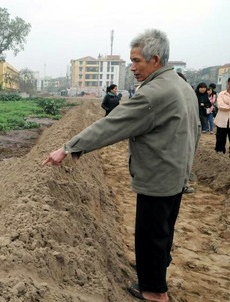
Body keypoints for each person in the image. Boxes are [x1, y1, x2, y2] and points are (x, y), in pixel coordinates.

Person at [42, 29, 200, 302]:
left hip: (158, 174)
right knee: (163, 228)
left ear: (155, 60)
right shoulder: (181, 85)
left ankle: (154, 291)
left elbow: (112, 125)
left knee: (150, 233)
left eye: (137, 61)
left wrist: (68, 147)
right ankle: (156, 271)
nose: (133, 68)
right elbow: (196, 129)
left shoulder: (153, 93)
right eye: (131, 61)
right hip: (177, 170)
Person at [214, 77, 230, 156]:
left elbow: (224, 106)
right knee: (220, 138)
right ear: (228, 83)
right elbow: (220, 106)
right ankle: (219, 153)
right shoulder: (221, 94)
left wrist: (227, 105)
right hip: (222, 120)